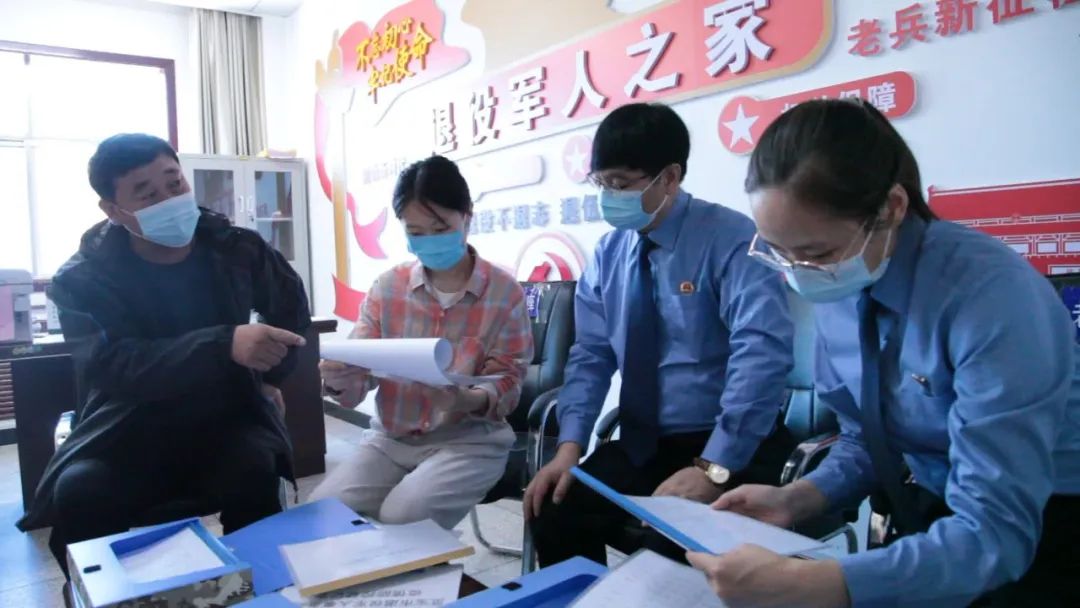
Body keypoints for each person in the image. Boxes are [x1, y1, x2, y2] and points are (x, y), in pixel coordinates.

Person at [687, 98, 1080, 607]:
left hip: (1042, 521)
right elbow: (867, 435)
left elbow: (995, 532)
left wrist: (815, 585)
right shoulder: (841, 283)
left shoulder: (991, 298)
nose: (799, 273)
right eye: (781, 253)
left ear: (891, 208)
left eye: (816, 253)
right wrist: (798, 498)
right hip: (936, 507)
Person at [16, 134, 312, 576]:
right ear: (113, 210)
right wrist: (224, 343)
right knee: (80, 491)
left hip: (226, 418)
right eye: (148, 194)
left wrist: (270, 379)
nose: (170, 200)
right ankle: (104, 596)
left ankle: (262, 587)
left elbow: (291, 311)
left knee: (256, 467)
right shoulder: (82, 280)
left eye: (175, 184)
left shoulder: (235, 247)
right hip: (125, 430)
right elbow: (115, 366)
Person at [525, 102, 797, 566]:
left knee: (671, 550)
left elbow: (760, 358)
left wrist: (713, 468)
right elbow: (591, 357)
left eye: (620, 184)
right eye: (600, 184)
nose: (608, 196)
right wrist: (569, 448)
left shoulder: (732, 240)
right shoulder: (609, 254)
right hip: (643, 443)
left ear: (669, 178)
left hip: (731, 441)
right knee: (554, 507)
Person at [312, 155, 532, 529]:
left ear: (467, 217)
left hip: (468, 442)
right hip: (390, 440)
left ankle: (425, 566)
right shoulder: (388, 288)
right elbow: (360, 372)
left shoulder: (504, 293)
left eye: (440, 228)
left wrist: (467, 399)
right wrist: (338, 379)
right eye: (415, 232)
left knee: (402, 517)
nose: (429, 241)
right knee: (321, 513)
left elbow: (508, 380)